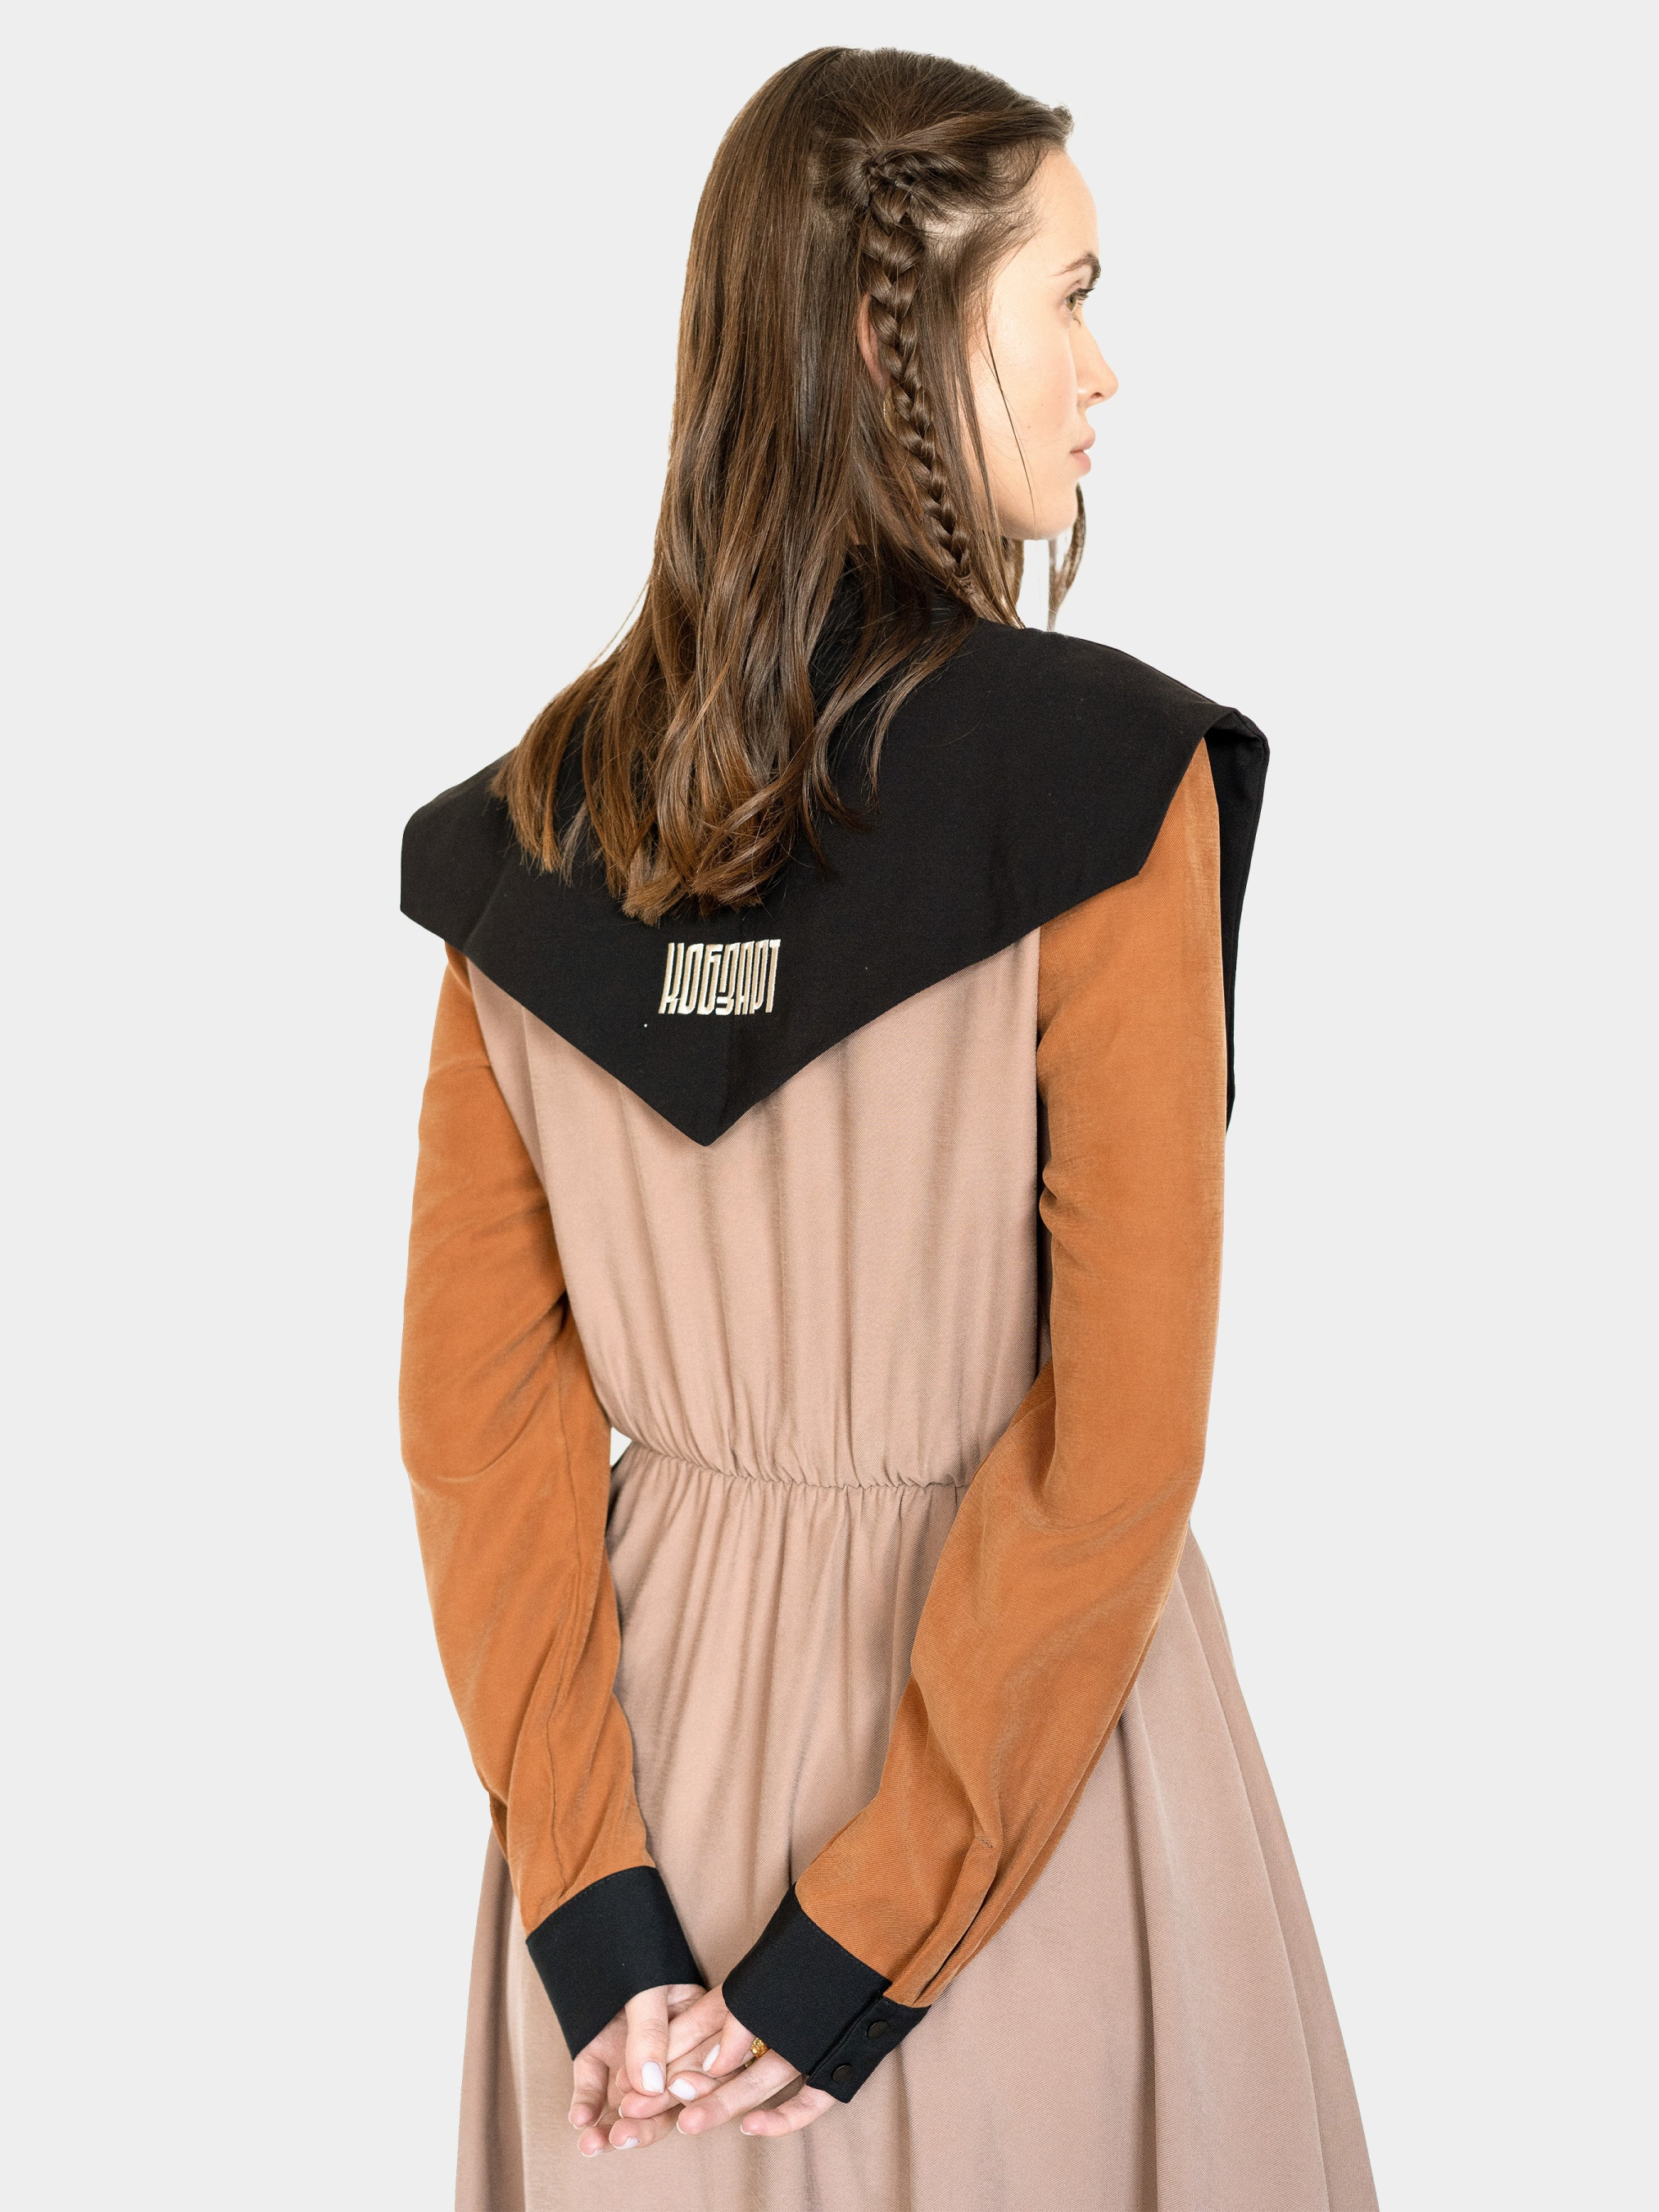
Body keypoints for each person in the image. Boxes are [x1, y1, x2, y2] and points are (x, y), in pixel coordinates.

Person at [398, 43, 1378, 2212]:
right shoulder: (1109, 786)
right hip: (1023, 1797)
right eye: (1070, 297)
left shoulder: (525, 834)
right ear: (888, 334)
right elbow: (1117, 1432)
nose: (1105, 372)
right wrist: (865, 1932)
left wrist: (600, 1917)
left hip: (637, 1820)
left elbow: (478, 1434)